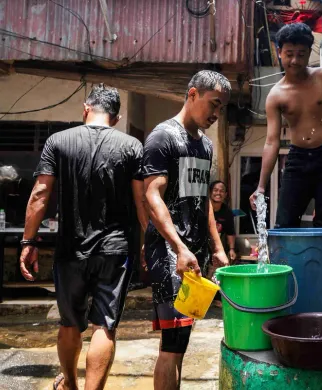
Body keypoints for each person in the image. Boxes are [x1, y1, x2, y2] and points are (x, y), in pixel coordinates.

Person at [19, 84, 148, 390]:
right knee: (104, 325)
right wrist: (148, 244)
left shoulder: (58, 141)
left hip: (70, 251)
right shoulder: (132, 146)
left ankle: (70, 386)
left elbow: (40, 193)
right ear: (116, 118)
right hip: (115, 251)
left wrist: (28, 241)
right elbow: (142, 201)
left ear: (86, 107)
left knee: (68, 323)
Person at [142, 70, 231, 390]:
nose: (216, 114)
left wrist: (218, 247)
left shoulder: (204, 145)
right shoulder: (163, 136)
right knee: (172, 343)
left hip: (194, 253)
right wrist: (179, 248)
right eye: (214, 104)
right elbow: (152, 196)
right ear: (192, 94)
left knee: (181, 342)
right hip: (171, 253)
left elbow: (202, 199)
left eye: (222, 109)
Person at [249, 22, 322, 227]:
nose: (295, 60)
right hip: (297, 161)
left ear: (310, 52)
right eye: (289, 54)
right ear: (280, 53)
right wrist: (261, 187)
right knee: (284, 225)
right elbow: (271, 142)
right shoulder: (276, 95)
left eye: (301, 54)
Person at [209, 180, 237, 264]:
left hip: (217, 246)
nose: (218, 193)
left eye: (221, 191)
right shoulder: (203, 208)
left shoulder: (227, 212)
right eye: (215, 190)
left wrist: (232, 249)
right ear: (210, 192)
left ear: (225, 194)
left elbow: (230, 232)